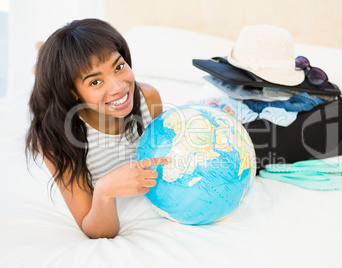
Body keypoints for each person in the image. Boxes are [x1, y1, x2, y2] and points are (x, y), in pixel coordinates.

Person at [26, 18, 235, 239]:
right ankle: (41, 57)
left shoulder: (148, 96)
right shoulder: (55, 138)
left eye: (119, 66)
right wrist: (104, 191)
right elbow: (94, 228)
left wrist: (211, 128)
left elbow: (168, 151)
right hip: (60, 108)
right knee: (42, 70)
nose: (119, 87)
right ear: (72, 92)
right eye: (95, 82)